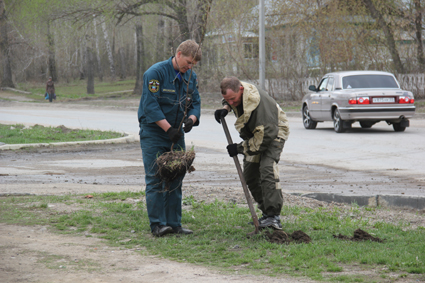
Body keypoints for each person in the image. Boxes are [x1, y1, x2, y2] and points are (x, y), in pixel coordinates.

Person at [137, 40, 201, 237]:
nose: (189, 67)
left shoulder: (191, 77)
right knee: (156, 176)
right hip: (154, 133)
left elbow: (195, 102)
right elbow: (150, 106)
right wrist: (167, 129)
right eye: (188, 62)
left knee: (176, 176)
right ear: (179, 54)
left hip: (177, 133)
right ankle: (157, 224)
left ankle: (174, 224)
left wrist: (191, 119)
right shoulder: (155, 74)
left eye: (193, 65)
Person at [214, 76, 290, 230]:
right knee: (249, 174)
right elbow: (231, 100)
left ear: (240, 89)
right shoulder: (237, 93)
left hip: (274, 132)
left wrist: (240, 148)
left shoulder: (257, 106)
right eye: (227, 100)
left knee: (267, 168)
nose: (231, 102)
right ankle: (266, 213)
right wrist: (225, 109)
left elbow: (265, 138)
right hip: (256, 135)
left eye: (233, 99)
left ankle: (273, 216)